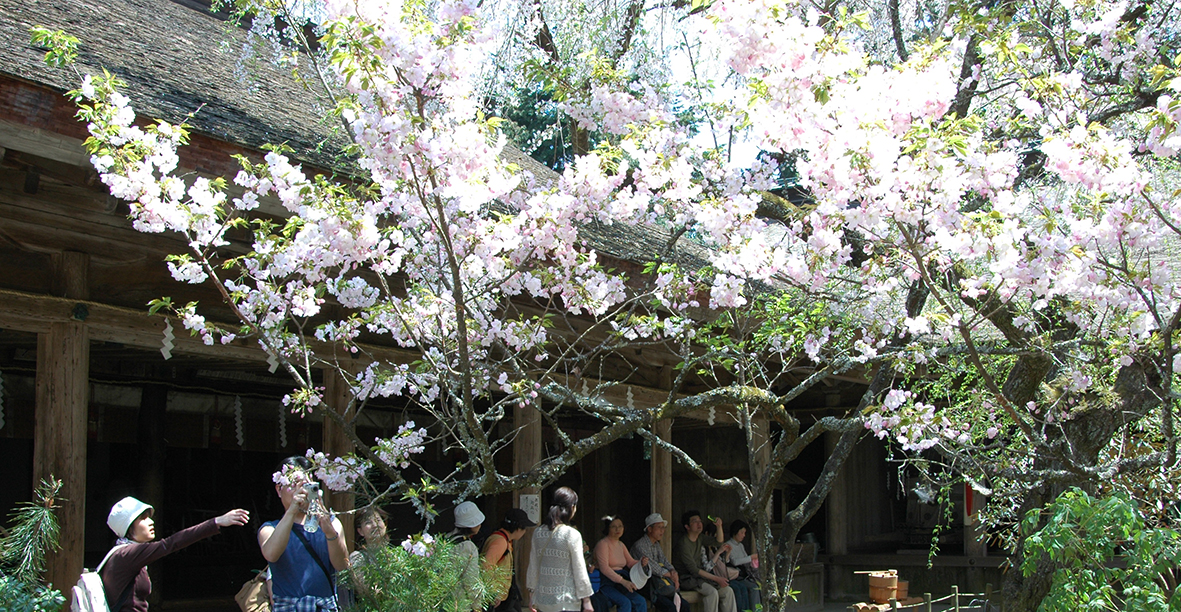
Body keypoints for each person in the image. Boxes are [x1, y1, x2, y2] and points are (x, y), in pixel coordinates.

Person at [99, 496, 249, 611]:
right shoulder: (128, 554)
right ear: (129, 527)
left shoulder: (120, 553)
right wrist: (216, 522)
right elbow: (170, 544)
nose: (151, 522)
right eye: (143, 519)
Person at [259, 456, 349, 612]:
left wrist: (329, 531)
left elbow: (343, 566)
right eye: (292, 485)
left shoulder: (332, 523)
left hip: (323, 607)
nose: (299, 490)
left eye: (304, 484)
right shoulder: (269, 529)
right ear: (278, 490)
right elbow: (271, 554)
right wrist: (293, 509)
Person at [526, 487, 593, 612]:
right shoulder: (571, 534)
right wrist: (587, 600)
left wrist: (531, 595)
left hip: (543, 600)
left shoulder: (538, 532)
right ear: (571, 507)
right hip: (565, 600)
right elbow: (579, 569)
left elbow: (533, 566)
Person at [672, 511, 736, 612]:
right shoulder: (683, 544)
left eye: (700, 521)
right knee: (712, 592)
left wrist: (719, 526)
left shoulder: (700, 537)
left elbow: (718, 542)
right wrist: (717, 578)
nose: (699, 524)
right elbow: (693, 570)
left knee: (728, 591)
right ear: (687, 526)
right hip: (687, 578)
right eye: (695, 521)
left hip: (700, 577)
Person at [629, 513, 687, 612]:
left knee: (684, 605)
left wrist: (673, 571)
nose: (662, 531)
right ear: (649, 529)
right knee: (670, 607)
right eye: (659, 527)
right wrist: (670, 575)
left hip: (660, 583)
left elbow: (664, 560)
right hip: (647, 584)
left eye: (663, 527)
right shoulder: (640, 545)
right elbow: (652, 567)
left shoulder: (656, 544)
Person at [481, 507, 536, 612]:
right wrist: (493, 592)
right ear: (519, 527)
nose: (524, 532)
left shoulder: (502, 539)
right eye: (524, 528)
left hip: (503, 598)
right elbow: (486, 565)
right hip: (496, 599)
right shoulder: (500, 541)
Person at [593, 516, 648, 612]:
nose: (617, 529)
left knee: (640, 601)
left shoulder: (621, 545)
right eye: (614, 526)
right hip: (607, 582)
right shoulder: (603, 544)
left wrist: (641, 563)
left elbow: (630, 562)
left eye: (620, 526)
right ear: (608, 528)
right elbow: (604, 568)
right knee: (625, 602)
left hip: (620, 581)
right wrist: (623, 581)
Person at [347, 505, 390, 600]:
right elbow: (365, 591)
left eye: (378, 520)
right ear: (360, 531)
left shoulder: (395, 555)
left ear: (385, 525)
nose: (375, 525)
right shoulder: (357, 558)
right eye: (368, 522)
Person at [451, 500, 487, 611]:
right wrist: (477, 605)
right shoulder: (467, 546)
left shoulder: (447, 539)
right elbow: (470, 579)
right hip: (460, 602)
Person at [724, 520, 761, 612]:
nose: (743, 535)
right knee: (753, 587)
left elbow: (745, 559)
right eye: (742, 532)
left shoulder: (740, 545)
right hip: (736, 576)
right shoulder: (728, 545)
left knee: (758, 585)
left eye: (744, 533)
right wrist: (751, 557)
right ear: (735, 532)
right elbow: (734, 562)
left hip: (744, 575)